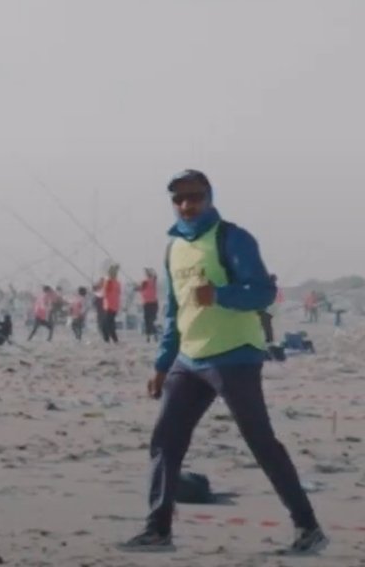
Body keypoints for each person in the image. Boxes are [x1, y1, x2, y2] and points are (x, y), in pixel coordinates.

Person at [118, 170, 325, 555]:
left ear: (209, 196)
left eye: (194, 196)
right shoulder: (173, 248)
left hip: (234, 357)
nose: (186, 205)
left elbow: (263, 293)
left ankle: (308, 527)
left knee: (260, 441)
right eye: (178, 199)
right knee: (165, 440)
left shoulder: (233, 237)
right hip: (188, 358)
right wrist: (162, 364)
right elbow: (173, 312)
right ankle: (157, 530)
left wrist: (219, 294)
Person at [98, 265, 124, 344]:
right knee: (110, 324)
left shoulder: (108, 281)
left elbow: (104, 293)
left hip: (109, 306)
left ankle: (109, 340)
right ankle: (113, 340)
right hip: (115, 306)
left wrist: (101, 285)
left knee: (105, 325)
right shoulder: (117, 283)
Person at [139, 268, 160, 341]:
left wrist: (135, 287)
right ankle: (152, 334)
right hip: (153, 304)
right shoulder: (153, 281)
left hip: (148, 304)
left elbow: (139, 288)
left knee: (148, 321)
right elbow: (155, 275)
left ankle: (150, 334)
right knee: (150, 320)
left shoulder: (145, 282)